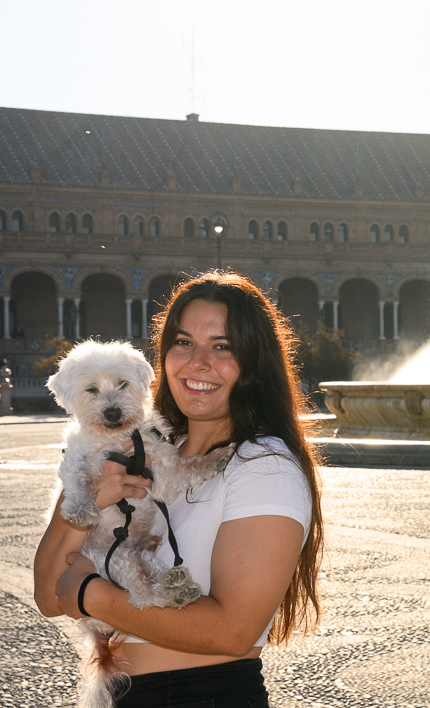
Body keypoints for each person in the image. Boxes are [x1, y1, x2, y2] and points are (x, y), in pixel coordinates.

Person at [34, 272, 324, 707]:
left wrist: (89, 594)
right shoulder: (145, 452)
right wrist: (88, 500)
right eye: (183, 342)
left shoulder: (263, 466)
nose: (197, 361)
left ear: (255, 362)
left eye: (222, 346)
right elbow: (47, 595)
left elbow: (232, 632)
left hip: (201, 696)